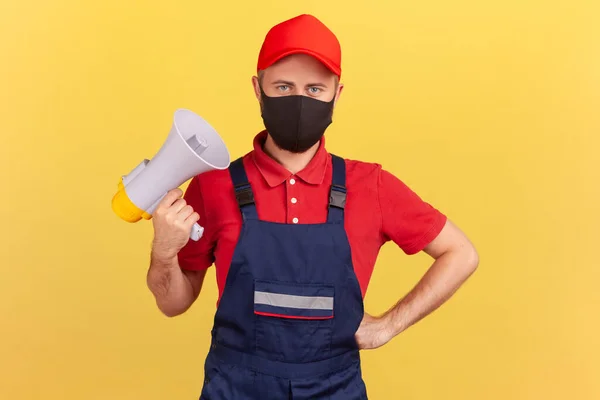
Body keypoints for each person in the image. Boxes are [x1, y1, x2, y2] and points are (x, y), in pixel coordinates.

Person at [146, 13, 479, 400]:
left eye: (315, 89)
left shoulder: (370, 185)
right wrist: (164, 251)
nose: (300, 101)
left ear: (337, 95)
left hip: (335, 388)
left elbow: (461, 253)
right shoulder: (213, 184)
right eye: (283, 86)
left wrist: (388, 326)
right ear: (258, 90)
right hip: (234, 388)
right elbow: (173, 304)